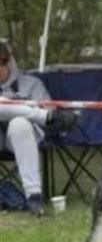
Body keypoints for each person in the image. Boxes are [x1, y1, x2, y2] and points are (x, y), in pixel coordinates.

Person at [0, 40, 76, 216]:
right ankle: (43, 118)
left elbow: (51, 109)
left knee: (20, 124)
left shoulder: (32, 84)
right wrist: (45, 116)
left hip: (24, 138)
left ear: (9, 62)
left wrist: (44, 114)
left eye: (1, 65)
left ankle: (34, 196)